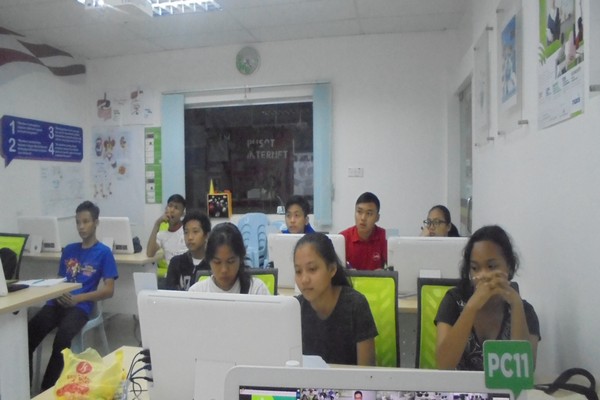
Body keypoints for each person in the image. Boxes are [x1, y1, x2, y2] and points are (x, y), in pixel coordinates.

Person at [28, 201, 118, 390]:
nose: (81, 227)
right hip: (56, 303)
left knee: (62, 340)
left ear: (96, 223)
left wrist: (78, 299)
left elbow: (109, 290)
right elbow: (61, 279)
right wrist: (57, 292)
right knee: (29, 334)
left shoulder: (104, 253)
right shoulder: (69, 249)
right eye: (78, 222)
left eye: (85, 222)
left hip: (80, 307)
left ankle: (46, 389)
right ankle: (24, 386)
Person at [435, 225, 540, 370]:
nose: (483, 275)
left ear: (509, 267)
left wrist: (516, 305)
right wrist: (472, 307)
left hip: (503, 385)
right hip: (458, 384)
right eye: (475, 268)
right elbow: (443, 365)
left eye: (491, 266)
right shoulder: (454, 301)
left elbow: (523, 371)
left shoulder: (524, 311)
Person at [294, 233, 377, 366]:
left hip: (350, 380)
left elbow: (367, 373)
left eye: (312, 269)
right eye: (298, 271)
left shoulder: (355, 306)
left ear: (332, 269)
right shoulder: (295, 309)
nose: (304, 279)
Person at [188, 222, 269, 294]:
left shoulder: (256, 290)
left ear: (240, 258)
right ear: (208, 260)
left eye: (231, 262)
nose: (224, 270)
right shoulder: (197, 292)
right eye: (217, 262)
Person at [165, 209, 211, 290]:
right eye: (186, 232)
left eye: (195, 232)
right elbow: (169, 293)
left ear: (206, 235)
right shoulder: (176, 263)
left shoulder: (213, 264)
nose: (190, 237)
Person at [340, 192, 387, 270]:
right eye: (359, 212)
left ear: (377, 218)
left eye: (369, 213)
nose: (363, 218)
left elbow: (394, 267)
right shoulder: (343, 238)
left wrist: (385, 272)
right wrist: (346, 272)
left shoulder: (385, 237)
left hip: (376, 278)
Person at [146, 193, 187, 263]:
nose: (172, 210)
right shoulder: (162, 235)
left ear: (182, 213)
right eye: (170, 206)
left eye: (176, 208)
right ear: (165, 209)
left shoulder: (187, 231)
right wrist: (157, 224)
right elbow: (150, 253)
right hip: (171, 270)